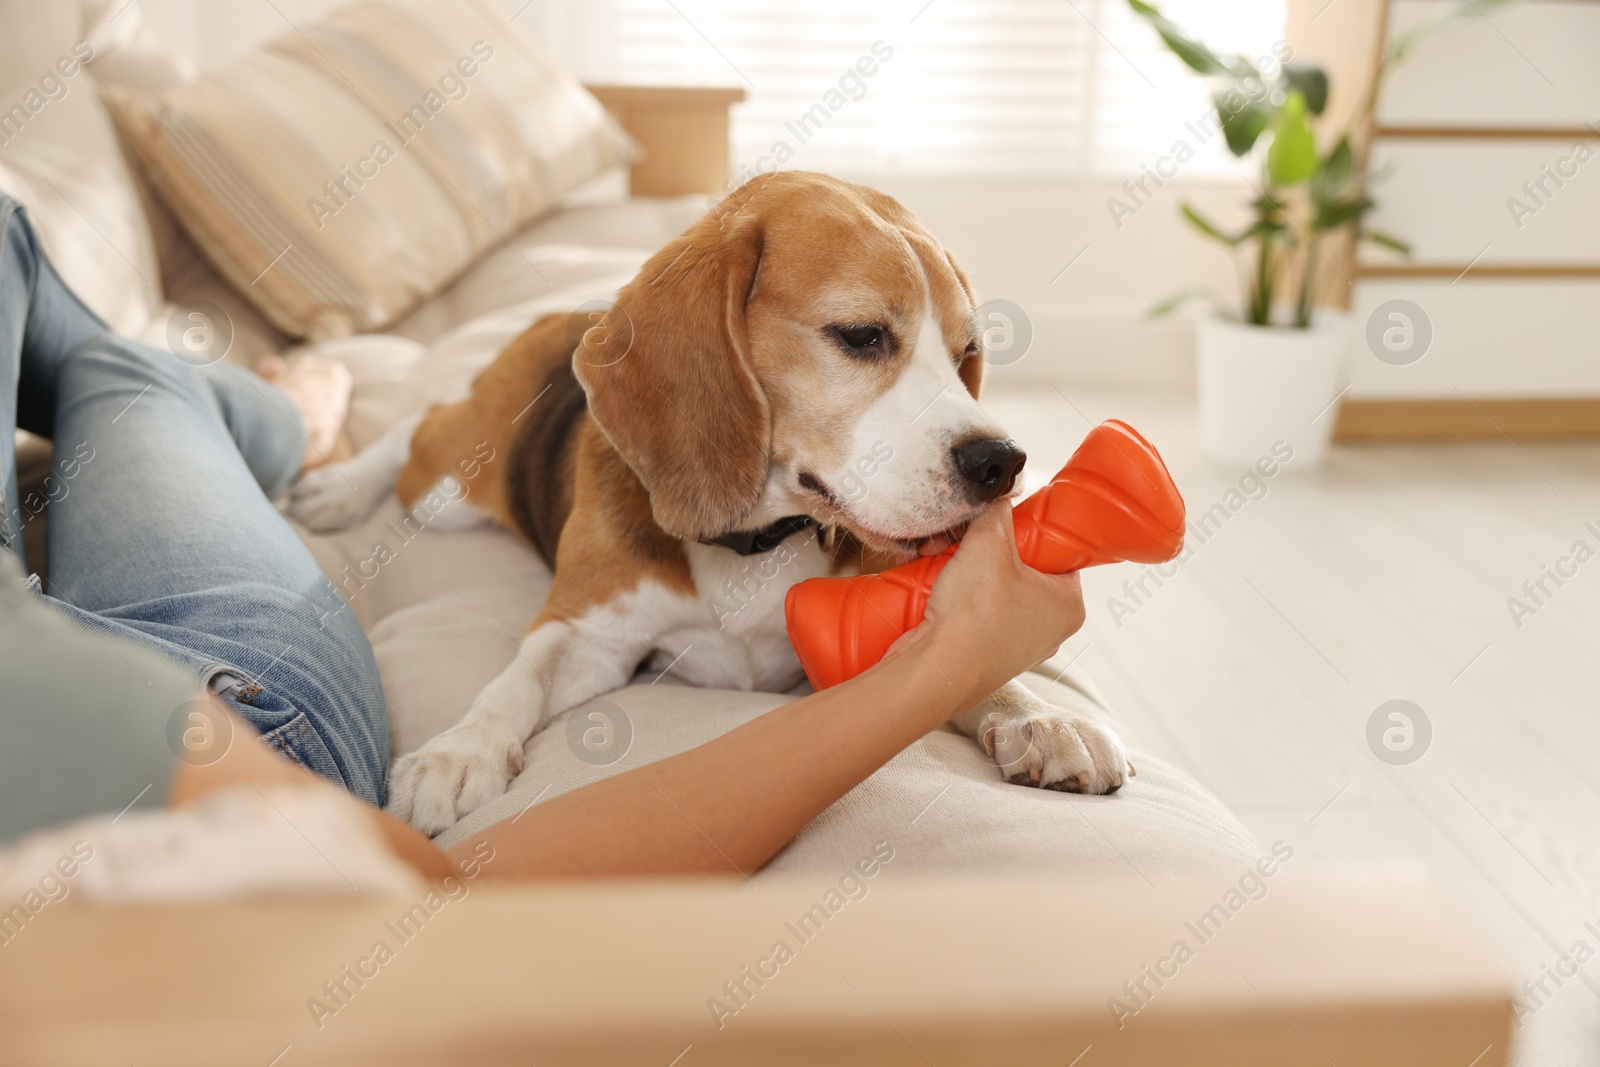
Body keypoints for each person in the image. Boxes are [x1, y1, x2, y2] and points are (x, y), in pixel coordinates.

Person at [0, 193, 1088, 882]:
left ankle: (294, 416)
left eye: (955, 359)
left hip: (118, 664)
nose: (972, 429)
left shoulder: (866, 523)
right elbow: (554, 666)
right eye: (863, 339)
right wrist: (488, 729)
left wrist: (999, 691)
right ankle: (341, 431)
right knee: (435, 467)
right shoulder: (637, 444)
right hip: (221, 692)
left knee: (44, 279)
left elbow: (923, 623)